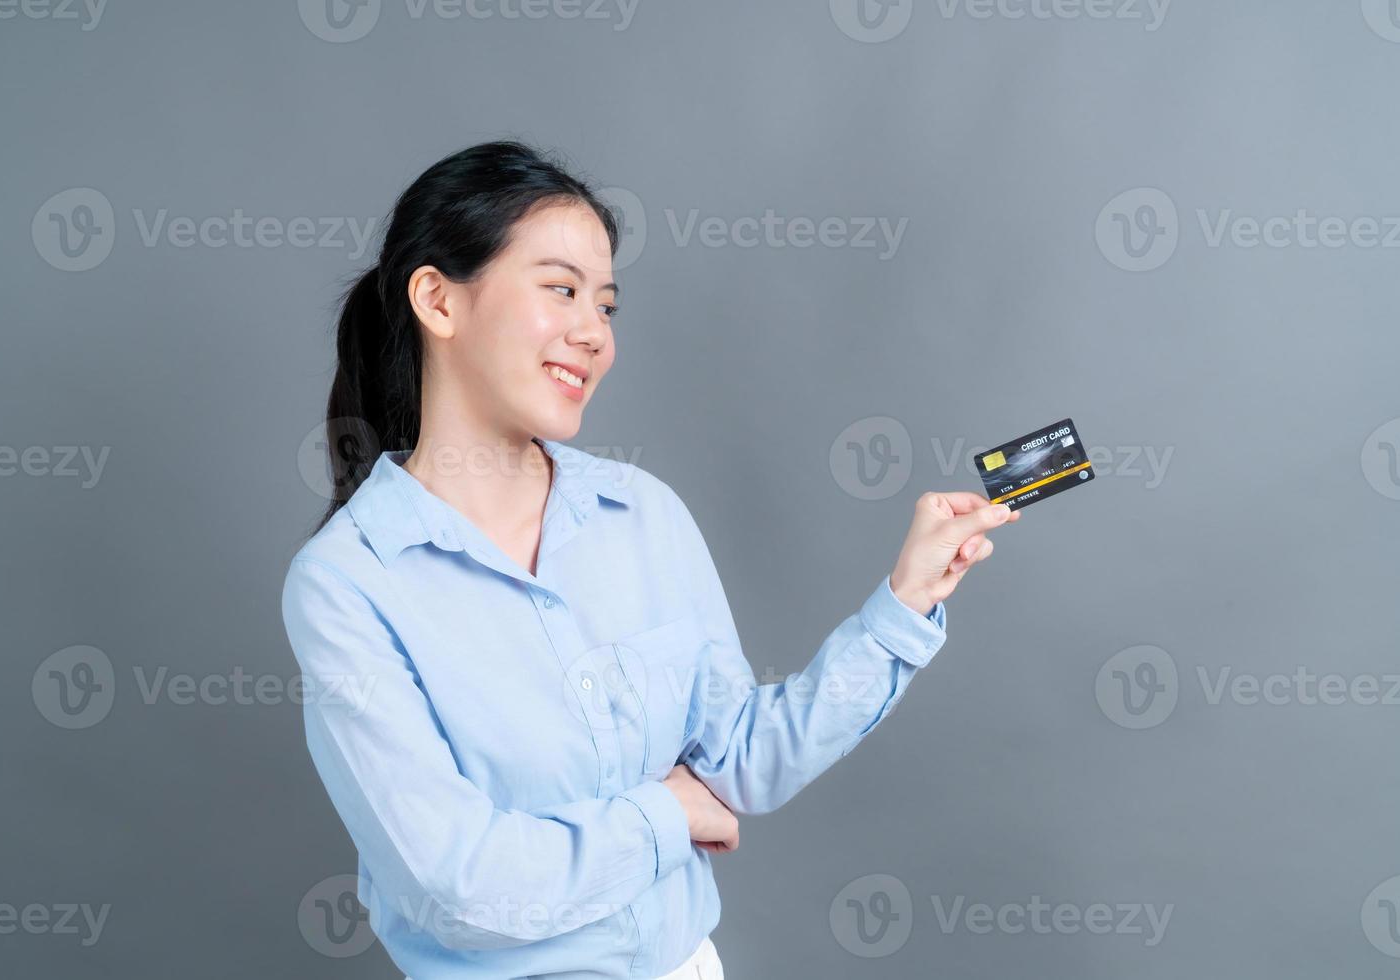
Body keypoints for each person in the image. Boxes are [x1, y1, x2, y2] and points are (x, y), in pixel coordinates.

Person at [280, 139, 1017, 979]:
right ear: (438, 301)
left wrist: (906, 600)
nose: (593, 334)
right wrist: (667, 815)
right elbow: (463, 888)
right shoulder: (349, 583)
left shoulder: (642, 515)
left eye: (607, 306)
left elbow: (742, 757)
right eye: (560, 290)